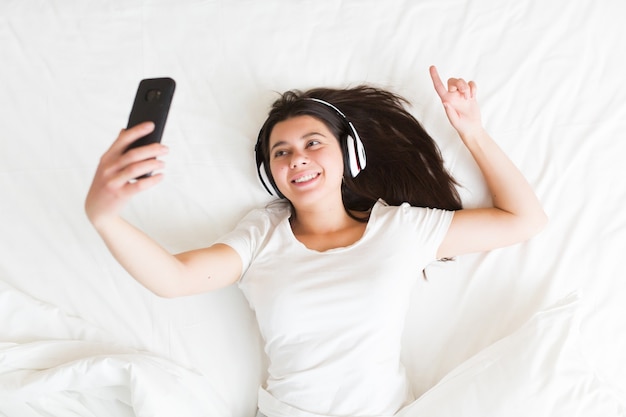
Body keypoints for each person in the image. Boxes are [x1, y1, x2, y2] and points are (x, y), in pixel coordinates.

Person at [85, 66, 547, 417]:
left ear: (350, 154)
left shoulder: (400, 230)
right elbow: (174, 278)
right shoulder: (261, 235)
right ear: (272, 173)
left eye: (313, 143)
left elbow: (522, 220)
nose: (297, 159)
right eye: (281, 152)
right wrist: (104, 216)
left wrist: (472, 131)